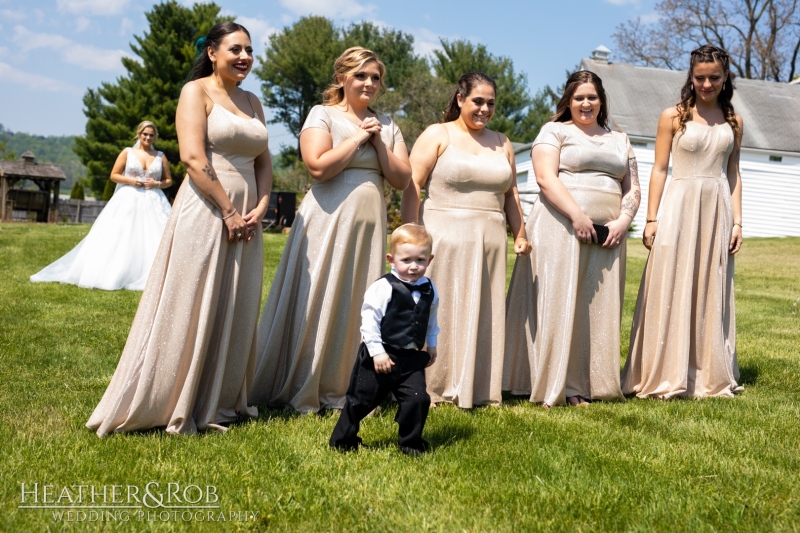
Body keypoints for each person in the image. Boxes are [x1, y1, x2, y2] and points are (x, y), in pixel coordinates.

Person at [86, 21, 272, 436]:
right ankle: (168, 397)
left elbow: (263, 159)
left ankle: (220, 398)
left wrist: (260, 205)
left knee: (235, 302)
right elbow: (191, 157)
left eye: (249, 50)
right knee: (191, 297)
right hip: (207, 208)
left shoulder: (255, 101)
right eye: (235, 49)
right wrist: (228, 210)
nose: (244, 57)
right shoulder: (196, 92)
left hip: (247, 215)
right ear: (212, 53)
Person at [249, 47, 411, 413]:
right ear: (341, 78)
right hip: (328, 216)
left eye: (375, 77)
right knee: (318, 294)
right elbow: (317, 167)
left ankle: (346, 384)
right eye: (361, 75)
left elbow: (402, 179)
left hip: (368, 224)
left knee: (359, 300)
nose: (369, 83)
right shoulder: (322, 114)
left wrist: (378, 141)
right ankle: (304, 381)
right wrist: (356, 138)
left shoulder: (386, 123)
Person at [503, 71, 640, 407]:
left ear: (601, 101)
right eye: (579, 97)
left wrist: (624, 220)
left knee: (595, 307)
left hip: (608, 236)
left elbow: (633, 186)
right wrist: (578, 216)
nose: (586, 103)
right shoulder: (554, 131)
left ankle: (592, 381)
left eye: (592, 97)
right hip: (560, 225)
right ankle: (558, 383)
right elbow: (545, 178)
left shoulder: (619, 139)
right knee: (559, 301)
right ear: (568, 101)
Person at [401, 72, 531, 408]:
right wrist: (410, 232)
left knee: (482, 310)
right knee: (440, 310)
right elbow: (413, 183)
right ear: (460, 99)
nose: (485, 109)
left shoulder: (502, 142)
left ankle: (476, 385)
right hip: (443, 235)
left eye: (490, 103)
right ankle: (428, 384)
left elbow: (511, 193)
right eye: (478, 101)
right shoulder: (437, 134)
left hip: (489, 240)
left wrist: (520, 234)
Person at [621, 44, 743, 399]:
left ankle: (705, 372)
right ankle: (663, 370)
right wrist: (651, 218)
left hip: (716, 208)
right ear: (691, 77)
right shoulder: (672, 116)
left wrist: (737, 222)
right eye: (700, 77)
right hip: (678, 204)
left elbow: (733, 173)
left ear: (725, 78)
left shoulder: (733, 120)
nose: (707, 84)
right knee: (670, 282)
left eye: (714, 77)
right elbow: (659, 169)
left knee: (710, 285)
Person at [330, 224, 439, 455]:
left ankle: (410, 443)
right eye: (406, 260)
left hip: (411, 359)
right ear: (392, 258)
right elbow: (369, 321)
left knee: (418, 400)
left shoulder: (430, 289)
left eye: (420, 260)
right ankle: (343, 441)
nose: (413, 266)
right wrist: (377, 352)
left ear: (429, 260)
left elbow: (430, 319)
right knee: (360, 401)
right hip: (379, 355)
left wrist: (432, 345)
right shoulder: (383, 287)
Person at [30, 121, 172, 290]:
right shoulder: (128, 152)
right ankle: (117, 273)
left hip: (154, 201)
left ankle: (152, 274)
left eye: (151, 135)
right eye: (145, 134)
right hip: (129, 198)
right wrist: (130, 180)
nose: (148, 137)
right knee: (123, 235)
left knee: (153, 236)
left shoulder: (160, 156)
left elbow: (168, 181)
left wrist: (156, 184)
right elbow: (114, 175)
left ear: (155, 137)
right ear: (139, 134)